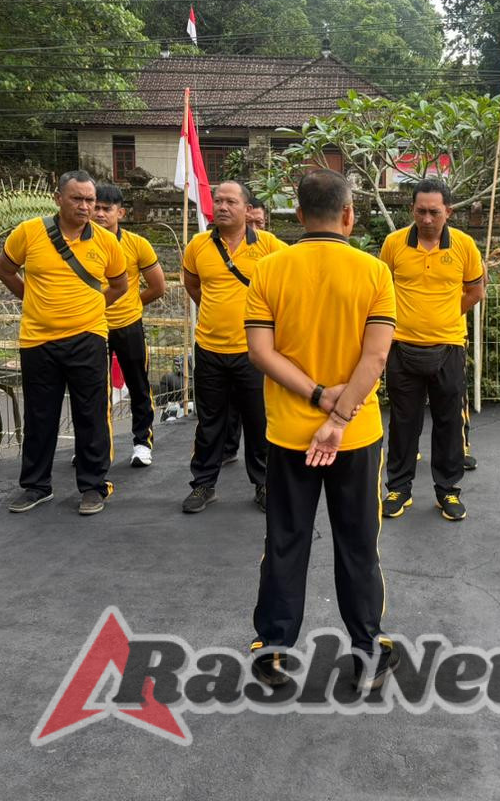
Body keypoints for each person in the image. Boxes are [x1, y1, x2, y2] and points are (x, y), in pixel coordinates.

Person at [245, 168, 399, 690]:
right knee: (359, 542)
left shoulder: (269, 270)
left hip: (288, 433)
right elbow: (376, 357)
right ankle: (367, 650)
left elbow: (260, 352)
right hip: (355, 436)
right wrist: (337, 417)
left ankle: (273, 649)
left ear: (296, 212)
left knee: (285, 540)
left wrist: (315, 398)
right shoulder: (374, 272)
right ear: (350, 214)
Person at [0, 170, 128, 516]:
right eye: (77, 199)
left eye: (90, 200)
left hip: (88, 338)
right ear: (58, 198)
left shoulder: (105, 241)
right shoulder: (29, 232)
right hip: (38, 339)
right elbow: (5, 270)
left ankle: (93, 487)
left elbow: (119, 286)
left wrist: (94, 309)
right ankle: (36, 486)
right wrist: (32, 300)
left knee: (91, 415)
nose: (85, 207)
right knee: (40, 415)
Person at [378, 179, 484, 521]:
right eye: (420, 211)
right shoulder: (394, 244)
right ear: (412, 209)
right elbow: (383, 290)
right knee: (403, 422)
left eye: (434, 212)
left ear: (448, 212)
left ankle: (448, 491)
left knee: (448, 422)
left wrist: (445, 318)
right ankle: (399, 488)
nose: (426, 219)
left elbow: (475, 291)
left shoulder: (465, 246)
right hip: (401, 346)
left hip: (449, 347)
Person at [181, 181, 287, 513]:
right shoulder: (198, 245)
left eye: (230, 201)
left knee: (259, 421)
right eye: (218, 201)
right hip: (210, 348)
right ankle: (203, 484)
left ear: (245, 208)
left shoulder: (270, 245)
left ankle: (265, 483)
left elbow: (290, 286)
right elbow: (192, 283)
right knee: (209, 421)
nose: (222, 207)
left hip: (254, 352)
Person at [92, 184, 166, 467]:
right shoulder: (78, 242)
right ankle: (94, 444)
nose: (99, 213)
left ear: (120, 212)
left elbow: (157, 287)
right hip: (91, 327)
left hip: (128, 325)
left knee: (138, 386)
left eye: (106, 209)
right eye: (96, 207)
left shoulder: (137, 244)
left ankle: (141, 443)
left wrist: (131, 305)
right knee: (94, 390)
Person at [222, 193, 272, 466]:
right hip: (218, 344)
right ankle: (226, 449)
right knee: (224, 407)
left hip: (259, 345)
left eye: (259, 223)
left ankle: (262, 474)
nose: (253, 228)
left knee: (257, 410)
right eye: (249, 223)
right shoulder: (207, 246)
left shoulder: (271, 249)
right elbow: (195, 287)